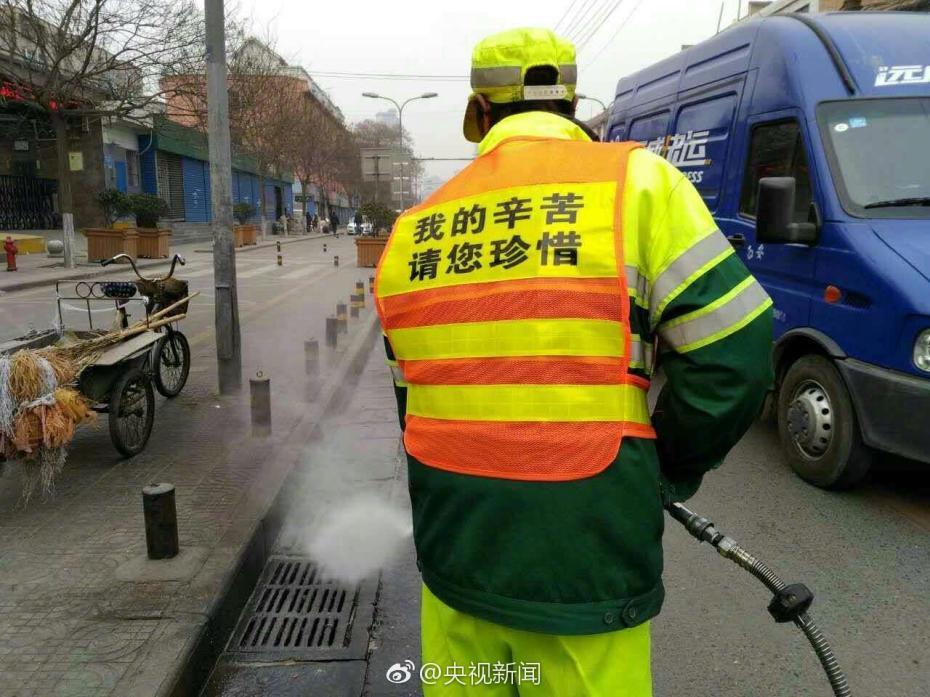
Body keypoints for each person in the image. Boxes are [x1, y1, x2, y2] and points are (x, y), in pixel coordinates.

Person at [374, 27, 774, 696]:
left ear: (479, 113)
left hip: (455, 557)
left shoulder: (415, 228)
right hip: (585, 564)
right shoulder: (640, 184)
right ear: (573, 104)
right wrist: (667, 469)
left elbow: (410, 405)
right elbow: (734, 356)